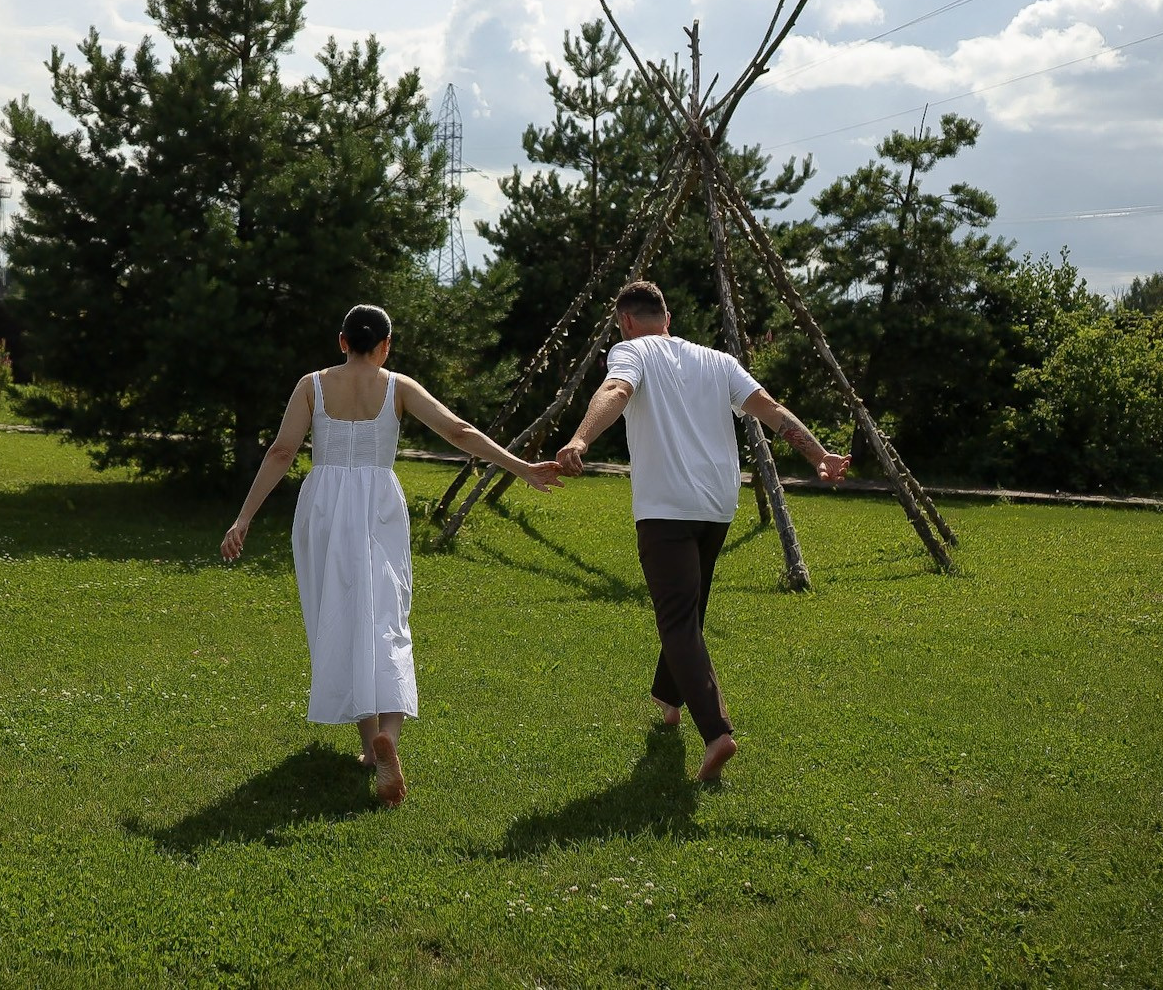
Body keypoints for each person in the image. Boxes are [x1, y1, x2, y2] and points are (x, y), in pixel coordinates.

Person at [222, 304, 564, 807]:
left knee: (342, 614)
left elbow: (280, 451)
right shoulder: (397, 386)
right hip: (380, 504)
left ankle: (369, 747)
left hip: (324, 508)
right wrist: (521, 467)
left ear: (342, 341)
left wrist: (244, 517)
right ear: (386, 345)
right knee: (387, 616)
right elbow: (459, 431)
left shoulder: (311, 386)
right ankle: (389, 740)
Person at [555, 280, 849, 783]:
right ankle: (670, 700)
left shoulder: (630, 352)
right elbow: (773, 411)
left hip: (666, 507)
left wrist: (580, 439)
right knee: (688, 611)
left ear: (625, 322)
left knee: (677, 621)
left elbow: (615, 390)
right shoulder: (718, 361)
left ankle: (717, 733)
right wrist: (819, 454)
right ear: (666, 316)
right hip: (717, 506)